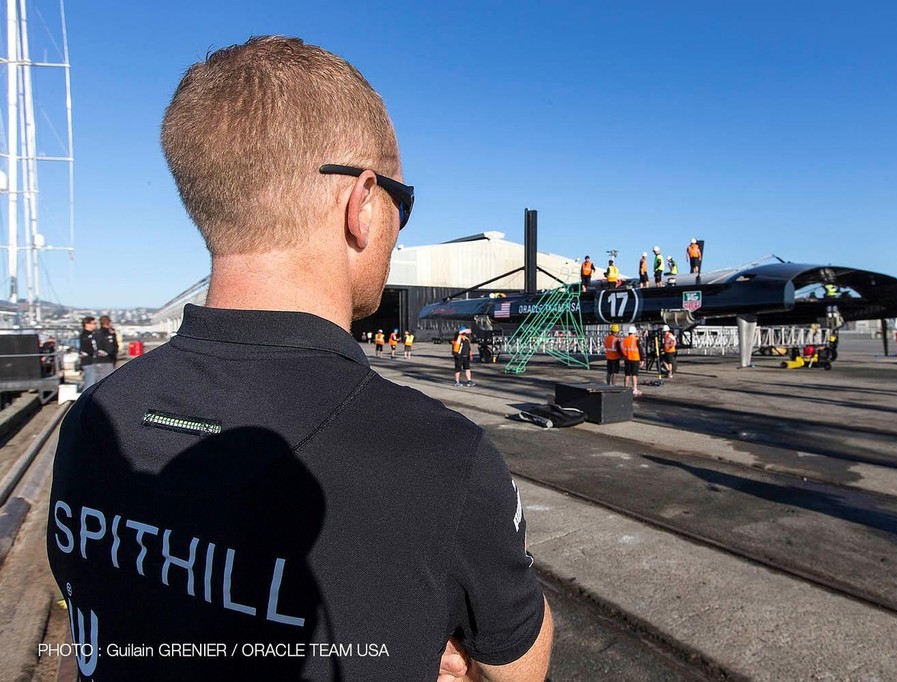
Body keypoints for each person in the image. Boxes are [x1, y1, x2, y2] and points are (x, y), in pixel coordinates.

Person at [47, 36, 551, 681]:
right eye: (404, 203)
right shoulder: (439, 458)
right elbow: (517, 669)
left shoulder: (93, 421)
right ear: (362, 204)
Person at [77, 316, 102, 390]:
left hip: (94, 362)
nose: (95, 325)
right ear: (87, 324)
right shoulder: (84, 336)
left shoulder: (94, 334)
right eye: (93, 323)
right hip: (88, 362)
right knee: (90, 384)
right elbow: (86, 349)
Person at [621, 325, 644, 397]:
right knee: (634, 375)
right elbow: (640, 350)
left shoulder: (624, 340)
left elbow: (621, 349)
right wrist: (642, 359)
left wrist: (625, 355)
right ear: (634, 333)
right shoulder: (637, 340)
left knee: (627, 374)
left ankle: (625, 387)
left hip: (627, 359)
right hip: (635, 359)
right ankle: (634, 389)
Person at [95, 315, 120, 381]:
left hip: (111, 359)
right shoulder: (99, 333)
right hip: (104, 360)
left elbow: (115, 345)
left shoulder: (111, 333)